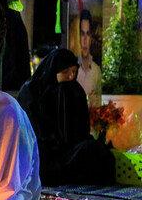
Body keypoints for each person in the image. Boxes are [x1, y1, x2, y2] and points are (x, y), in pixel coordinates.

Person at [17, 48, 115, 186]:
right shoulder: (32, 91)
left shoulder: (75, 90)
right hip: (44, 151)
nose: (70, 76)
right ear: (53, 70)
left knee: (98, 152)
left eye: (74, 72)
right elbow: (31, 129)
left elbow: (81, 130)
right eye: (65, 72)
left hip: (69, 151)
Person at [76, 9, 101, 107]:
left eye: (88, 34)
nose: (85, 40)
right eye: (82, 34)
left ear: (91, 37)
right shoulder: (72, 71)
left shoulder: (97, 71)